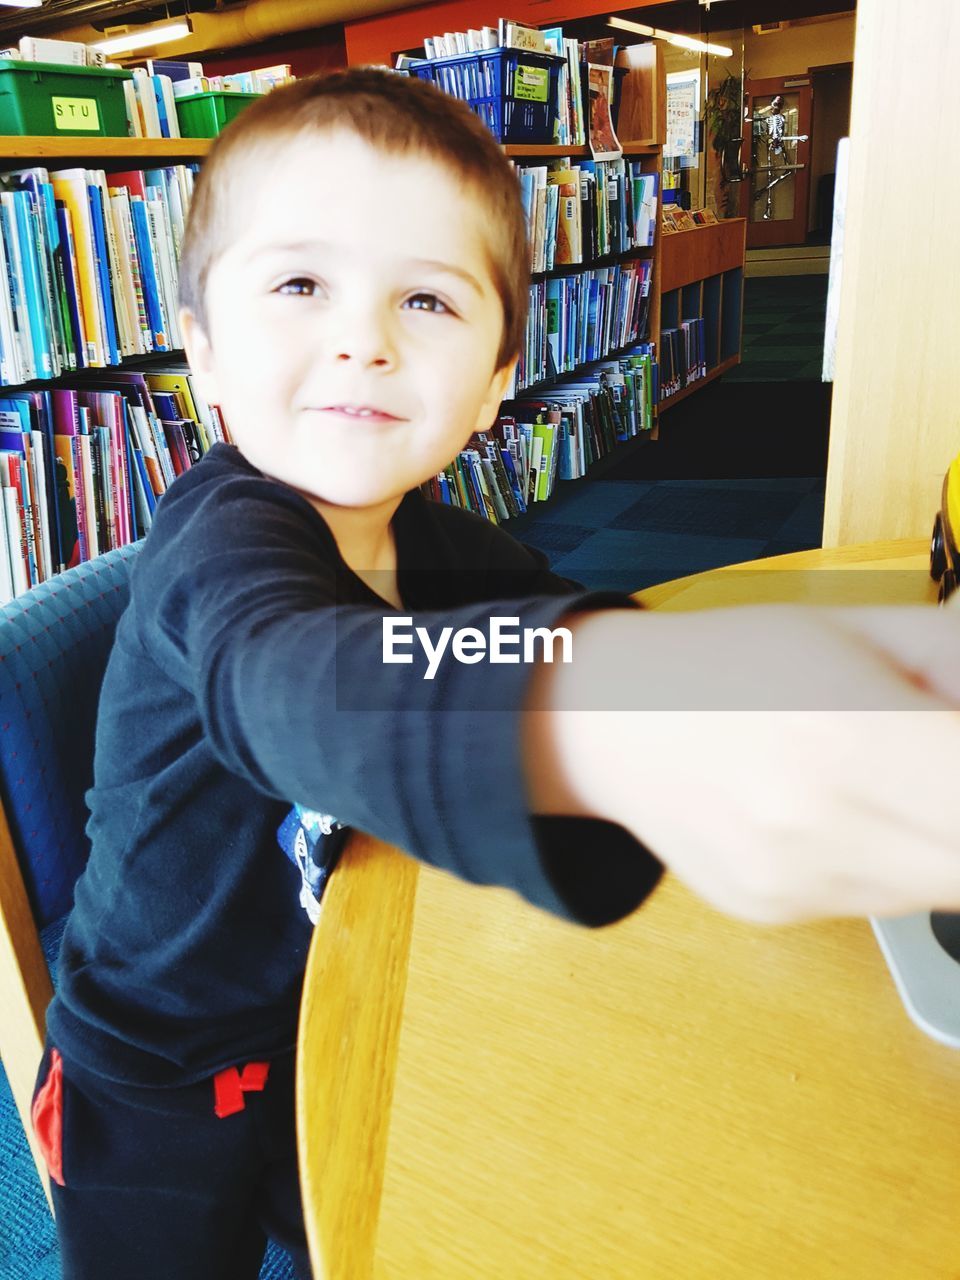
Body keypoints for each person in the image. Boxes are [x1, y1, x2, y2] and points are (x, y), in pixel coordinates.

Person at [31, 67, 960, 1280]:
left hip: (323, 1002)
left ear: (495, 381)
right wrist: (622, 720)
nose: (362, 337)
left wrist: (716, 667)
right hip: (151, 1074)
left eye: (427, 298)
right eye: (301, 284)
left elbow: (556, 613)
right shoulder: (224, 547)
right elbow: (296, 678)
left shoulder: (426, 532)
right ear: (201, 351)